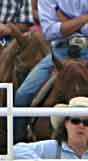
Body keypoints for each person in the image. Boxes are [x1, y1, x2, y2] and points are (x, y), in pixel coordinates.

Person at [14, 0, 88, 142]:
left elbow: (57, 29)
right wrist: (83, 19)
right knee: (23, 94)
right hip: (60, 52)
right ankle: (18, 144)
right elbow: (49, 31)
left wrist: (66, 23)